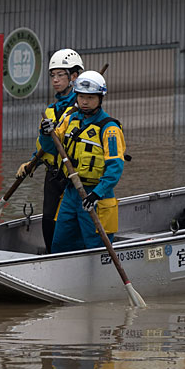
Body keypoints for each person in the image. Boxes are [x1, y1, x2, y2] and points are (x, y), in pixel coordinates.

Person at [38, 70, 125, 253]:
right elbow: (51, 148)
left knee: (97, 247)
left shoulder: (109, 129)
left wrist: (96, 194)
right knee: (61, 244)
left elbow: (115, 168)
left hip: (95, 196)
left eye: (90, 98)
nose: (84, 102)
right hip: (71, 193)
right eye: (81, 97)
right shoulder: (69, 120)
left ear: (100, 98)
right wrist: (46, 133)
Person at [16, 49, 84, 253]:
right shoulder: (50, 111)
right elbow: (44, 147)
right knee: (48, 221)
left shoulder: (83, 105)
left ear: (74, 76)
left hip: (74, 173)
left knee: (71, 220)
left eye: (60, 75)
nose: (55, 80)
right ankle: (52, 256)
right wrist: (31, 163)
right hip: (54, 175)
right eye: (52, 75)